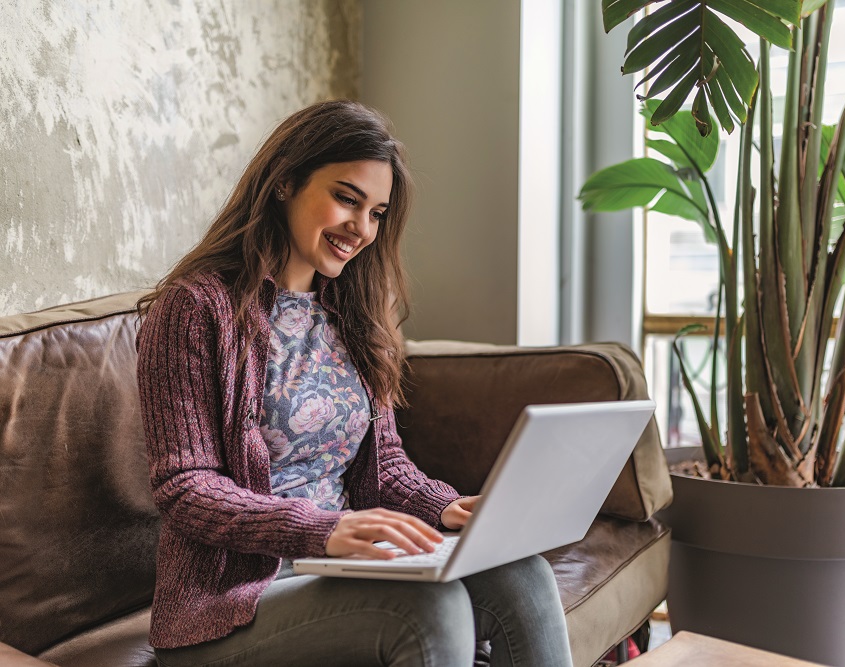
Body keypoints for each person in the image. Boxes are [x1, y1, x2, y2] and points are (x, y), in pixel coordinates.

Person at [135, 99, 573, 667]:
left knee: (520, 571)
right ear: (285, 181)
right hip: (234, 600)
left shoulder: (355, 312)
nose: (361, 229)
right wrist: (324, 529)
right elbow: (186, 487)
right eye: (347, 198)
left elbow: (384, 465)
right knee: (430, 610)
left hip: (340, 565)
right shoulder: (195, 309)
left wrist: (448, 509)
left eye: (377, 213)